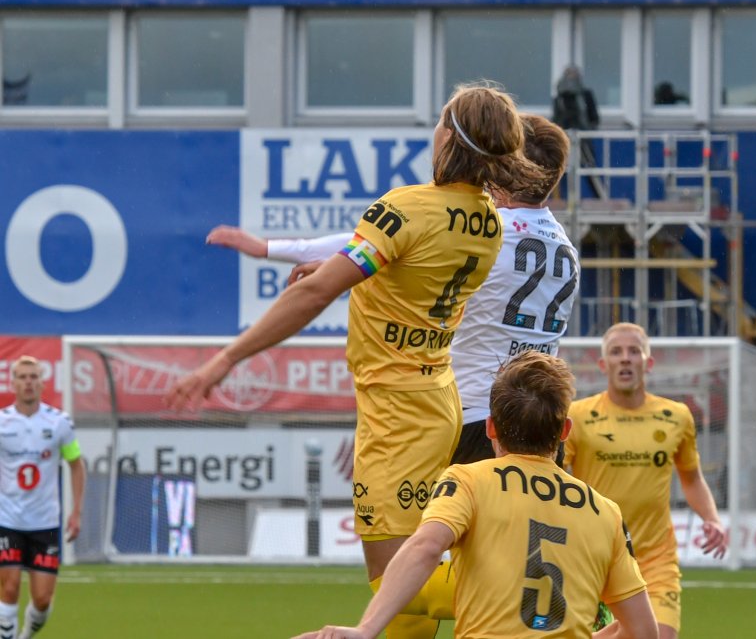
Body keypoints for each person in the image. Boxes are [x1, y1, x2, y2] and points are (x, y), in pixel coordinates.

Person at [168, 82, 542, 639]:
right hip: (435, 397)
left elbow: (315, 295)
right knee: (411, 584)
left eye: (440, 120)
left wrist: (226, 358)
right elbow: (404, 268)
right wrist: (330, 271)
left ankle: (552, 598)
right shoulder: (486, 220)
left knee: (393, 577)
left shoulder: (405, 207)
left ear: (450, 137)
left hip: (397, 415)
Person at [205, 113, 579, 465]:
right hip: (541, 422)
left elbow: (391, 238)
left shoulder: (489, 231)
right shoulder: (565, 247)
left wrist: (276, 249)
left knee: (436, 532)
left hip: (480, 418)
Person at [292, 351, 658, 639]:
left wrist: (365, 630)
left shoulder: (469, 480)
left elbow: (424, 548)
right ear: (565, 431)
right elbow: (643, 631)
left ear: (490, 427)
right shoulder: (603, 510)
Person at [563, 322, 727, 639]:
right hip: (594, 558)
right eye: (616, 352)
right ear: (603, 364)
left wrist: (712, 519)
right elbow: (555, 476)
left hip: (655, 559)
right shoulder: (578, 415)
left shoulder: (676, 416)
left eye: (634, 351)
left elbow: (691, 479)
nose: (625, 358)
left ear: (648, 363)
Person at [0, 356, 86, 639]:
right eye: (22, 377)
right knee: (9, 589)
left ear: (42, 383)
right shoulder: (1, 423)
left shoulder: (60, 423)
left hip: (45, 523)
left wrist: (76, 512)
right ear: (12, 383)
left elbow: (76, 464)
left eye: (33, 377)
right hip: (7, 519)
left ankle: (24, 635)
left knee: (42, 600)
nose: (28, 382)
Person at [551, 65, 603, 198]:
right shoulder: (560, 98)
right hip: (564, 137)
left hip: (582, 138)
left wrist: (586, 130)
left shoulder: (585, 95)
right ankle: (557, 200)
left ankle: (600, 197)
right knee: (558, 168)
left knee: (589, 170)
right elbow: (557, 118)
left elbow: (594, 118)